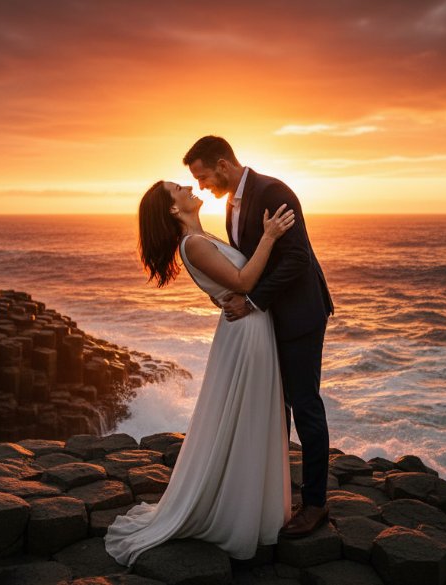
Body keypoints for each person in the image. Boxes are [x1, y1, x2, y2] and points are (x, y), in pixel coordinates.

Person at [104, 179, 295, 565]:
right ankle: (237, 511)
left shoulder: (201, 238)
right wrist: (270, 236)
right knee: (248, 416)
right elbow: (243, 281)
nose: (189, 186)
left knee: (248, 417)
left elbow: (221, 290)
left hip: (246, 327)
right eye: (179, 188)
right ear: (174, 210)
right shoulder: (192, 244)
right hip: (246, 333)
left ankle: (248, 503)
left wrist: (226, 293)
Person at [183, 136, 334, 538]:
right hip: (270, 318)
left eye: (202, 176)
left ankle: (316, 504)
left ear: (223, 164)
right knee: (274, 409)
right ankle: (274, 496)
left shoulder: (273, 191)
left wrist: (250, 299)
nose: (201, 187)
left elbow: (297, 258)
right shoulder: (231, 203)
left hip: (299, 316)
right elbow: (250, 261)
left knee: (304, 406)